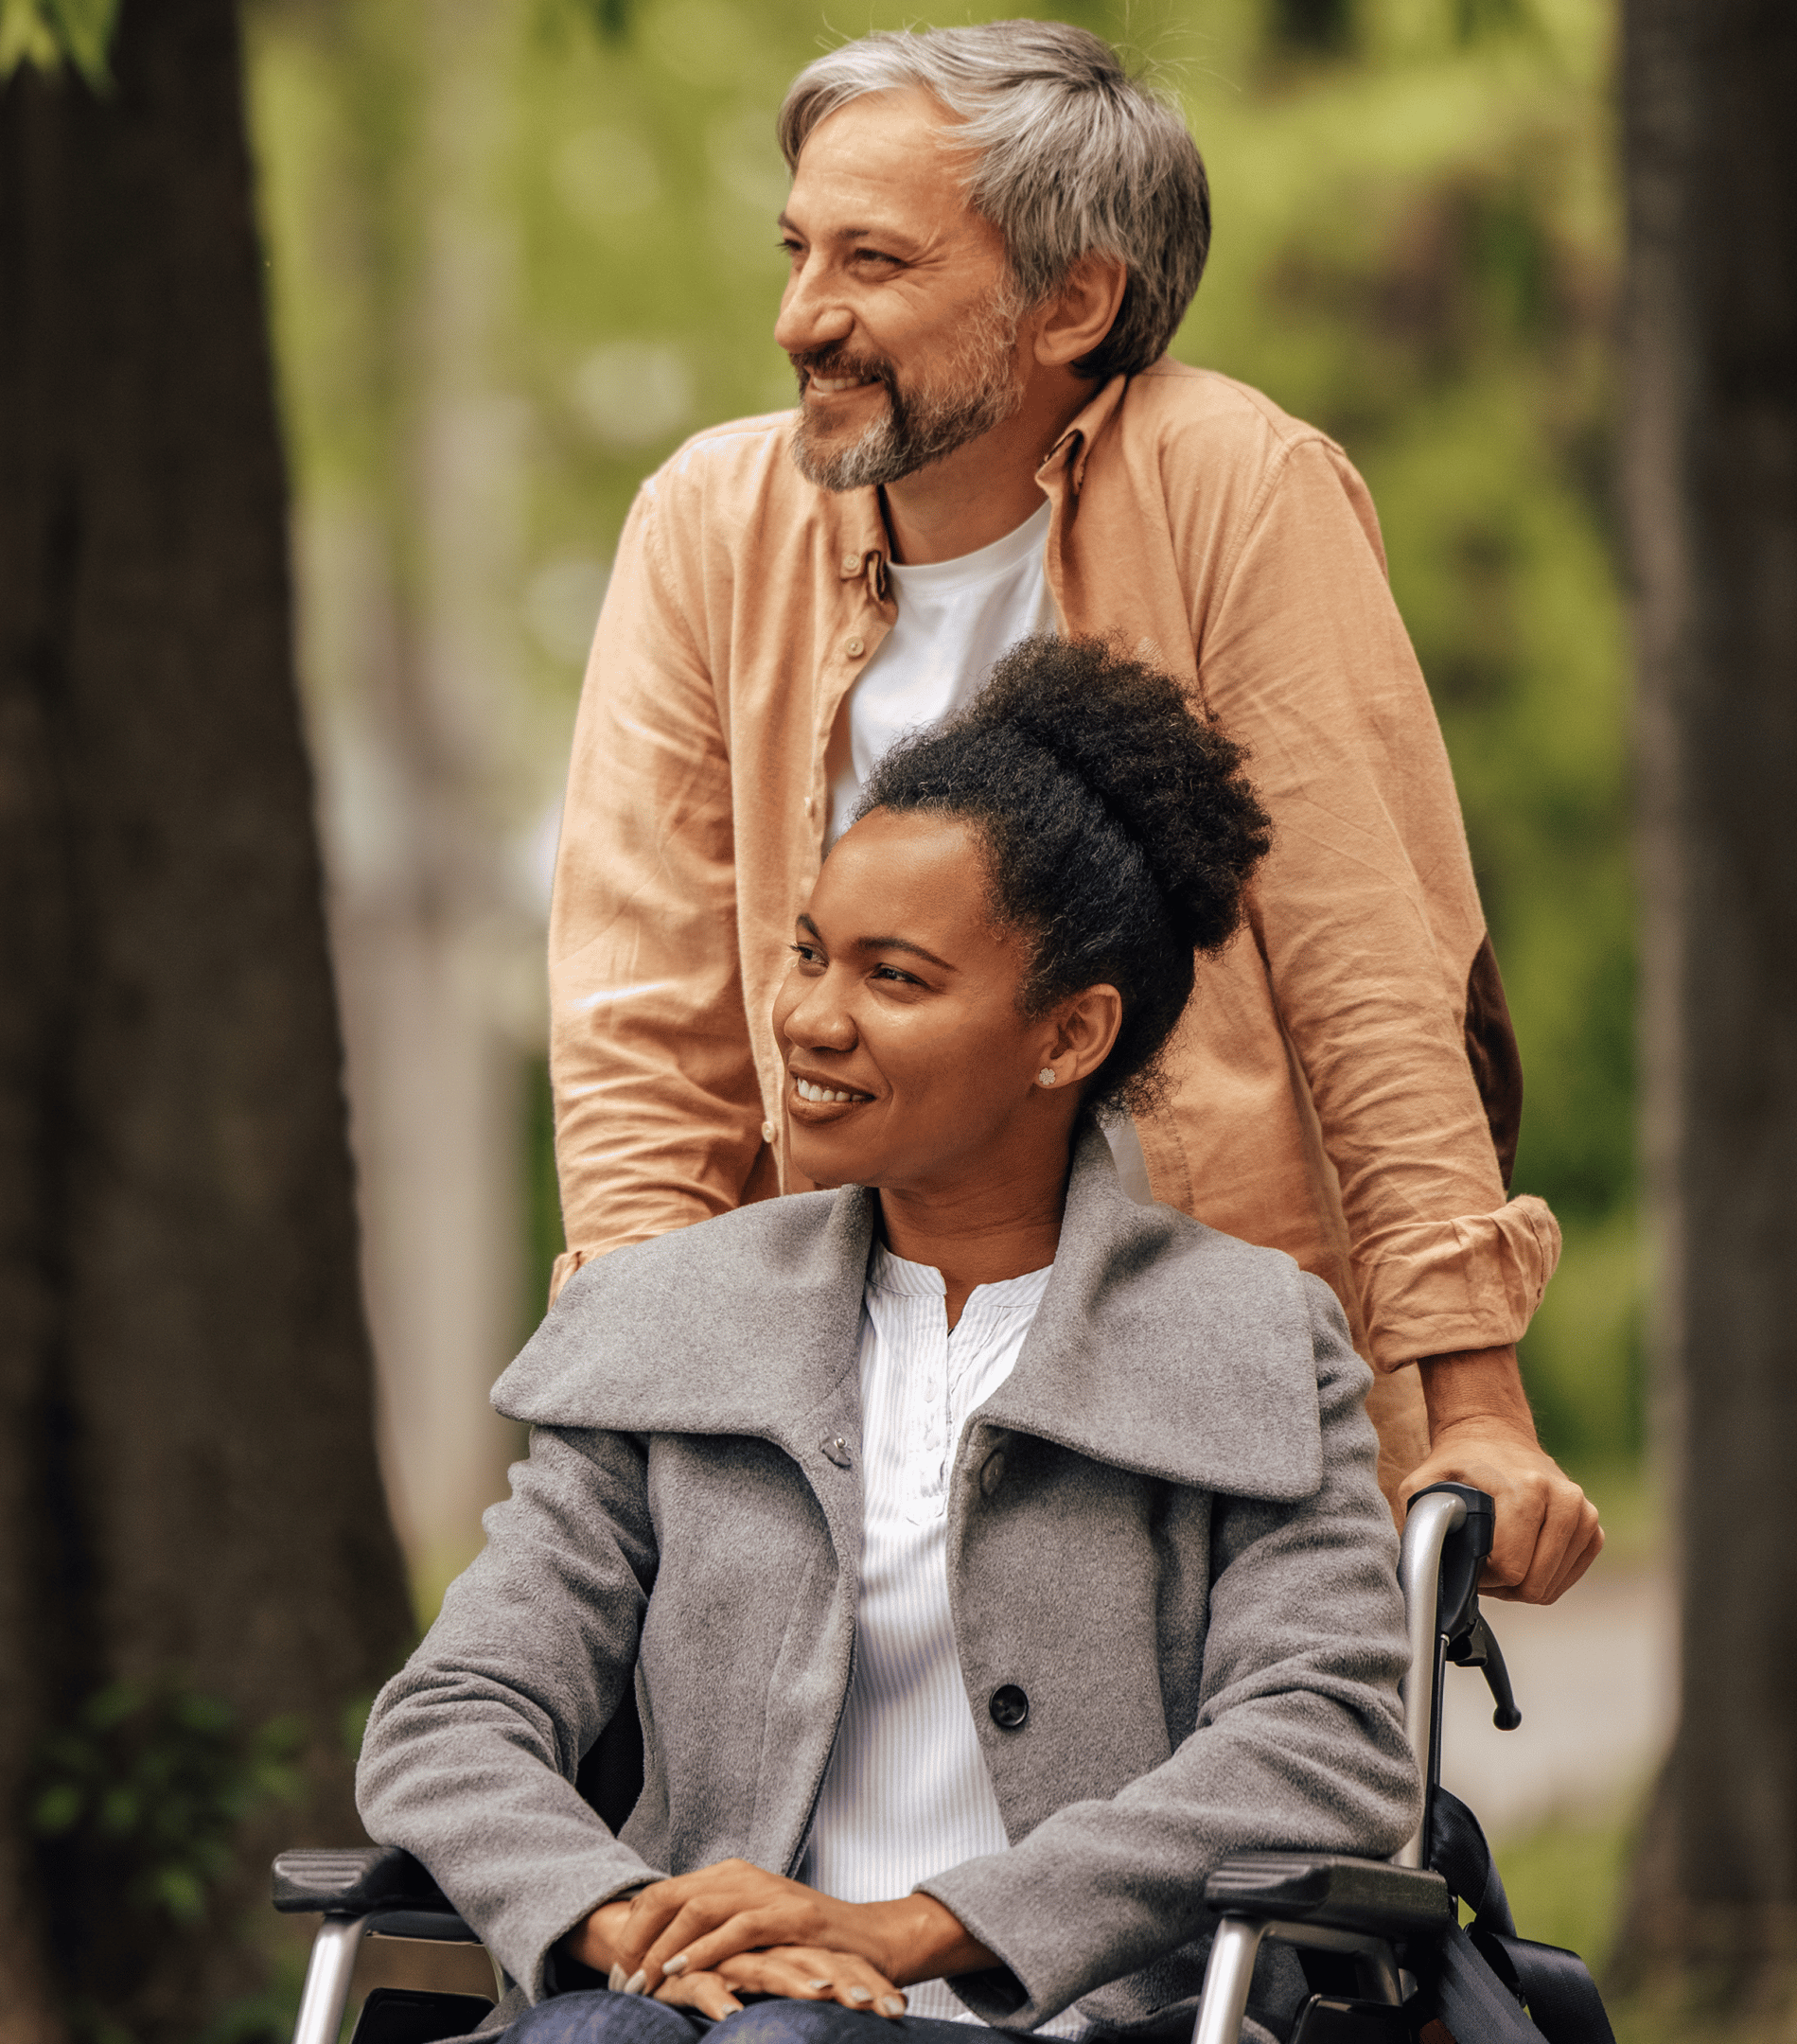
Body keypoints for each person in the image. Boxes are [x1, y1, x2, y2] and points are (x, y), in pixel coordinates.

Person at [545, 21, 1600, 1601]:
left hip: (1200, 1371)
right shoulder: (707, 526)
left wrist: (1477, 1407)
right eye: (797, 251)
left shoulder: (1234, 485)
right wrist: (625, 1421)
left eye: (875, 263)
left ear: (1075, 300)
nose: (801, 320)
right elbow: (649, 1027)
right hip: (836, 1373)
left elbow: (1377, 976)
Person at [364, 642, 1418, 2038]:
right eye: (807, 953)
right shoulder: (668, 1319)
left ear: (1069, 1034)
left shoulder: (1248, 1338)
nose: (809, 1016)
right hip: (696, 2014)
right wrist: (622, 1923)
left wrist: (923, 1928)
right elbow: (454, 1716)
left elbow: (1323, 1743)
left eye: (895, 978)